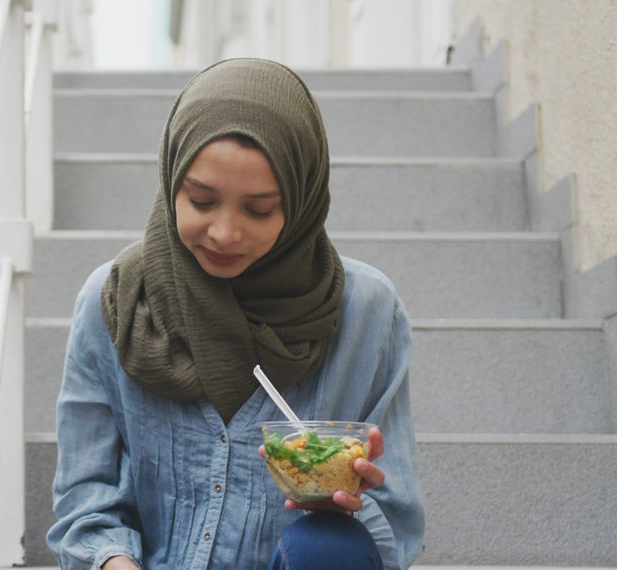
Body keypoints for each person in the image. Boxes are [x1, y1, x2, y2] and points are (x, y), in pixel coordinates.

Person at [47, 58, 423, 569]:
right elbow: (85, 504)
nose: (224, 233)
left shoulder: (366, 315)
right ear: (171, 181)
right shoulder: (114, 303)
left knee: (329, 549)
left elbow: (393, 528)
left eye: (259, 209)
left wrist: (343, 508)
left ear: (302, 201)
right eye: (201, 200)